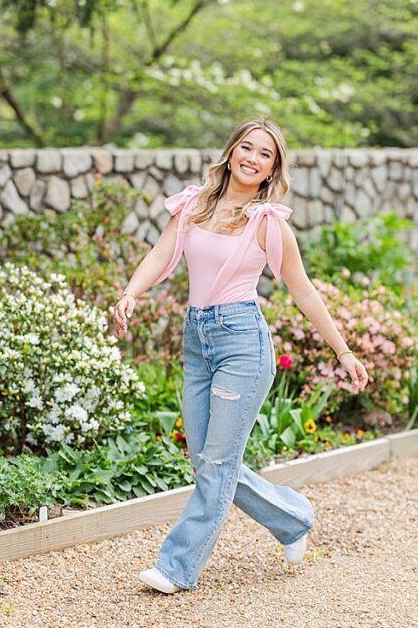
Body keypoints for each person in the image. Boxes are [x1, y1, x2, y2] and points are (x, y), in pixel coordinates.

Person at [112, 117, 369, 594]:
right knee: (207, 460)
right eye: (247, 148)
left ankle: (176, 568)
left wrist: (345, 351)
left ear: (273, 167)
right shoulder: (193, 205)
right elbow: (159, 253)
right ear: (231, 151)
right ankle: (294, 518)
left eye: (264, 154)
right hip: (197, 340)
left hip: (242, 344)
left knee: (216, 461)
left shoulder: (267, 222)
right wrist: (131, 293)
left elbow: (304, 292)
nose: (252, 158)